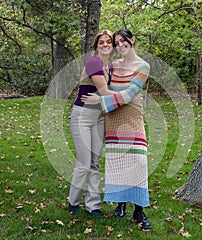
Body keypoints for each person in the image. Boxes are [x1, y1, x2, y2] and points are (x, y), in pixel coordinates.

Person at [82, 28, 152, 230]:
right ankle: (121, 204)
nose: (120, 45)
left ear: (132, 41)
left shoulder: (143, 66)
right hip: (113, 119)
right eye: (117, 42)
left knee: (138, 163)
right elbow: (96, 80)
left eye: (124, 41)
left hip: (132, 119)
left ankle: (139, 210)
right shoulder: (112, 66)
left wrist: (101, 99)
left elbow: (130, 94)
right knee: (119, 163)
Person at [68, 30, 116, 218]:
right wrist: (130, 94)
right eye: (101, 42)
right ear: (96, 46)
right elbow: (105, 92)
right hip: (82, 116)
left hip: (99, 117)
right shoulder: (93, 62)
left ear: (112, 46)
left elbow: (106, 94)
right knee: (84, 163)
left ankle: (93, 205)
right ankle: (74, 201)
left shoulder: (109, 66)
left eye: (108, 42)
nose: (105, 45)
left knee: (95, 162)